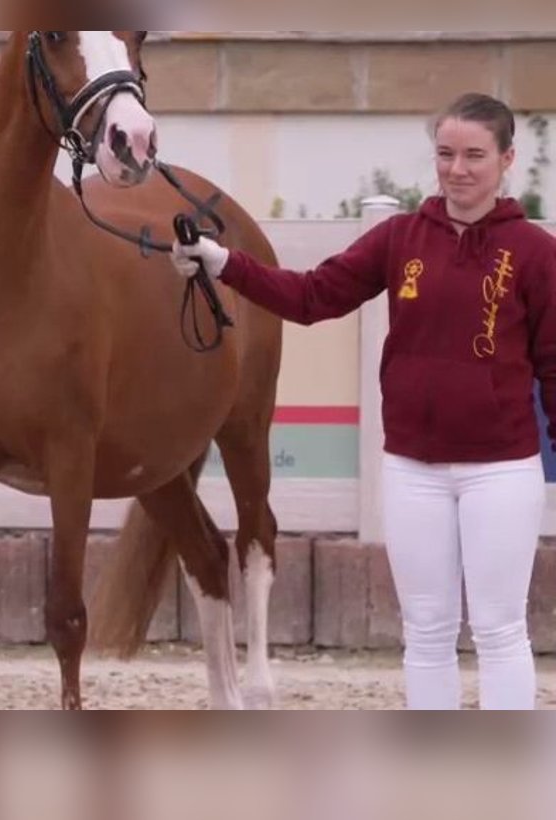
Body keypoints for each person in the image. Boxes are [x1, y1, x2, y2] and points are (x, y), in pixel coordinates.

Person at [171, 92, 556, 710]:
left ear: (507, 159)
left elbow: (554, 365)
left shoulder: (535, 253)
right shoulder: (400, 237)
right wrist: (222, 263)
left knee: (499, 630)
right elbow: (312, 296)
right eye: (446, 153)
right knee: (426, 633)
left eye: (475, 155)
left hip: (500, 471)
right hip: (411, 470)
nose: (457, 168)